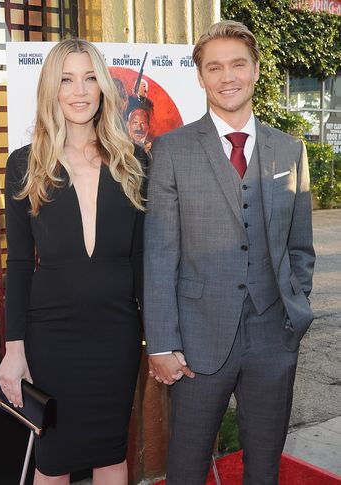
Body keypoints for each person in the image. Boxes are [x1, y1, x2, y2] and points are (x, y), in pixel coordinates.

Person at [144, 20, 315, 485]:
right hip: (197, 341)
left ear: (257, 70)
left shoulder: (289, 149)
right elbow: (160, 251)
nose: (228, 76)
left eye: (238, 64)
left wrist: (294, 315)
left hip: (272, 336)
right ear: (200, 77)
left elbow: (300, 246)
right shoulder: (173, 150)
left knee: (264, 465)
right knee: (186, 465)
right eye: (214, 67)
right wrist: (162, 341)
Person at [0, 38, 146, 485]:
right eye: (66, 79)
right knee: (53, 459)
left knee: (111, 453)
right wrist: (14, 349)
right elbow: (20, 264)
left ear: (103, 88)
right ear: (51, 89)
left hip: (116, 334)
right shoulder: (25, 164)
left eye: (88, 78)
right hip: (51, 337)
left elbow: (142, 259)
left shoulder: (134, 162)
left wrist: (158, 336)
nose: (78, 90)